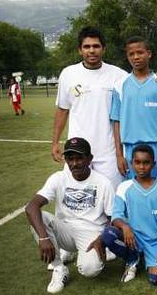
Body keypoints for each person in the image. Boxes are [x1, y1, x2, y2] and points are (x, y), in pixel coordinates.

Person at [25, 137, 114, 293]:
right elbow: (31, 207)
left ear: (89, 159)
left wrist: (102, 240)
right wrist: (43, 238)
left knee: (89, 270)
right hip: (65, 229)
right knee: (40, 216)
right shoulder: (58, 178)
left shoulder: (103, 182)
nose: (74, 163)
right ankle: (59, 268)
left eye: (79, 158)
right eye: (70, 159)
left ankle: (86, 255)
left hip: (91, 235)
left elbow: (113, 218)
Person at [53, 27, 128, 189]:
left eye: (96, 46)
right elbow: (62, 110)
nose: (91, 50)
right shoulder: (68, 74)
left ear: (103, 48)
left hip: (108, 152)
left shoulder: (119, 75)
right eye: (87, 47)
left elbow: (140, 82)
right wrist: (55, 143)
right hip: (77, 151)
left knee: (112, 202)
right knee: (76, 197)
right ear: (80, 50)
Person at [98, 145, 157, 285]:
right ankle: (132, 259)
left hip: (155, 241)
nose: (141, 167)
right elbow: (116, 216)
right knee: (108, 234)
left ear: (153, 164)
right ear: (132, 163)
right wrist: (125, 226)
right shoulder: (124, 187)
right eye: (137, 162)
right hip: (133, 239)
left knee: (156, 279)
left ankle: (148, 257)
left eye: (146, 163)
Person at [111, 36, 157, 185]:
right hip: (130, 148)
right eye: (131, 54)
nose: (136, 57)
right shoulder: (120, 85)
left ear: (149, 54)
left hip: (156, 147)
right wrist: (119, 155)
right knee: (133, 192)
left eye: (140, 52)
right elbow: (116, 122)